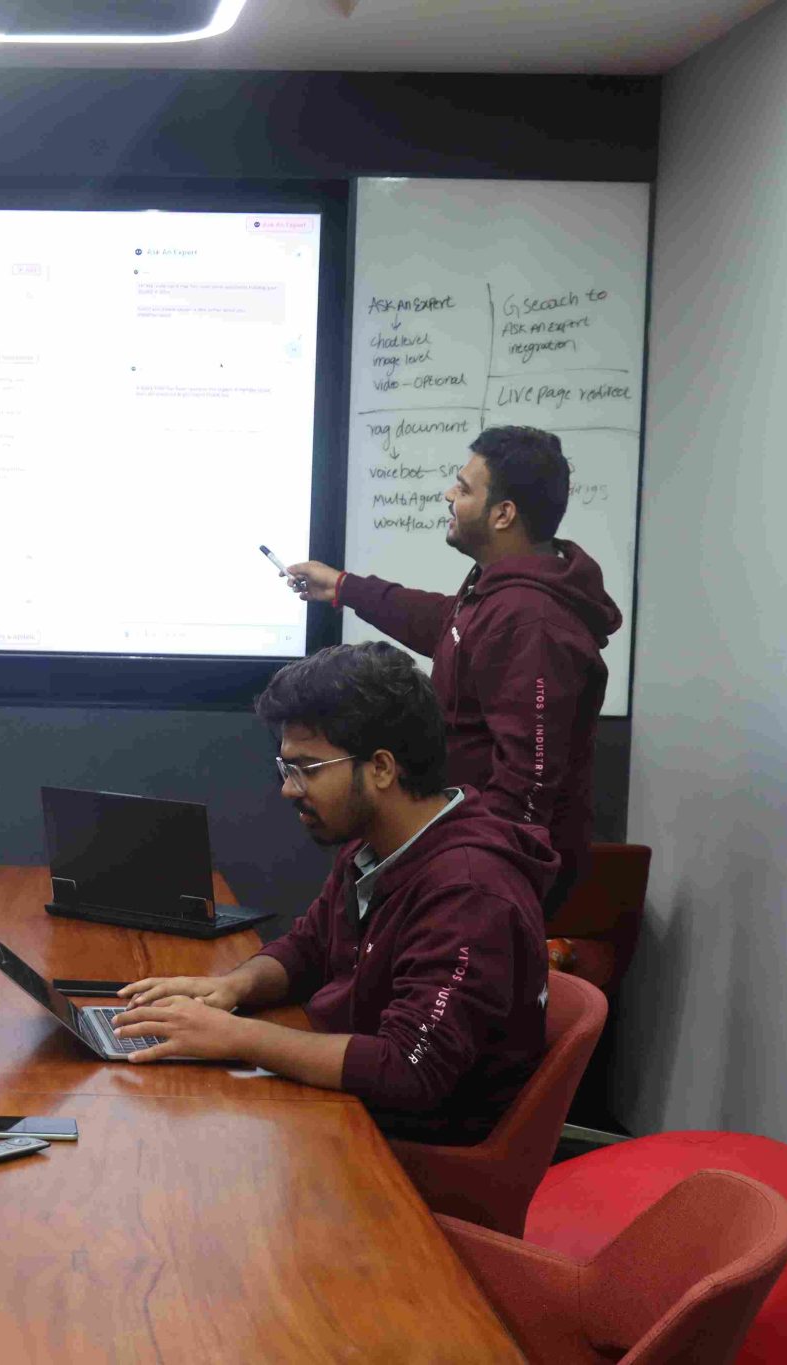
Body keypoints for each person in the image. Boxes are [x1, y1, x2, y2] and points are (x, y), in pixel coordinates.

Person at [114, 642, 553, 1146]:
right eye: (286, 769)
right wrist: (233, 988)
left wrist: (236, 1036)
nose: (289, 789)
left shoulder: (469, 892)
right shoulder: (372, 847)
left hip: (407, 1151)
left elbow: (410, 1070)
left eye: (308, 769)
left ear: (382, 768)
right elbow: (309, 947)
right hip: (350, 1108)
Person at [286, 426, 621, 915]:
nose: (449, 494)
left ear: (503, 514)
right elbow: (446, 624)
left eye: (463, 488)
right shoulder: (502, 594)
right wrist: (343, 587)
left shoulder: (534, 621)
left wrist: (477, 879)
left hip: (486, 878)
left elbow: (527, 782)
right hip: (462, 853)